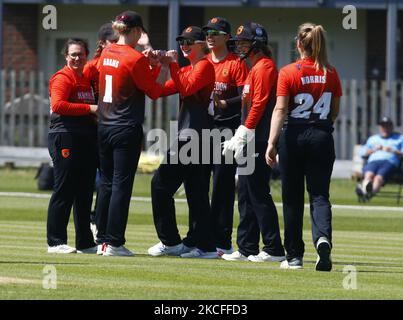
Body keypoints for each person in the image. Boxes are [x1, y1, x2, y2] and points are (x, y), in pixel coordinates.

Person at [266, 23, 342, 271]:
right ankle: (322, 238)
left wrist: (271, 142)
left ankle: (294, 256)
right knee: (320, 195)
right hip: (321, 135)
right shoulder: (331, 72)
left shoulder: (288, 72)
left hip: (294, 135)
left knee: (292, 198)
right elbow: (334, 112)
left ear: (298, 44)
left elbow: (279, 109)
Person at [96, 11, 164, 256]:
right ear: (136, 31)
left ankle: (101, 238)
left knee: (106, 183)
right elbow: (153, 91)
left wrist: (147, 64)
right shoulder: (134, 58)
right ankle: (114, 243)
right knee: (121, 186)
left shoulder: (106, 52)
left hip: (103, 126)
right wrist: (157, 66)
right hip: (125, 127)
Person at [147, 26, 217, 259]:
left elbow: (185, 88)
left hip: (194, 137)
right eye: (181, 41)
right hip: (194, 136)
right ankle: (203, 245)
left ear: (201, 45)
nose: (184, 45)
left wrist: (173, 64)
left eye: (189, 42)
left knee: (160, 184)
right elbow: (156, 91)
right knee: (196, 192)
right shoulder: (188, 69)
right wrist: (159, 64)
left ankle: (171, 241)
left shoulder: (205, 66)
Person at [221, 22, 285, 263]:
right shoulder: (252, 67)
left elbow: (259, 104)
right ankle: (247, 246)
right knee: (246, 192)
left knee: (257, 192)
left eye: (244, 42)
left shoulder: (265, 67)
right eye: (238, 42)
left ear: (257, 45)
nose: (239, 46)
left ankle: (273, 248)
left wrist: (244, 131)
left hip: (258, 139)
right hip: (250, 137)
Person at [197, 17, 248, 256]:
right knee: (197, 185)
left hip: (226, 131)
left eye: (216, 32)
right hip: (202, 129)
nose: (210, 36)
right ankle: (199, 238)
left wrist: (226, 102)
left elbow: (245, 96)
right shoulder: (202, 61)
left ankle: (221, 240)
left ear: (227, 37)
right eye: (208, 32)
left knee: (221, 187)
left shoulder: (236, 63)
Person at [47, 38, 98, 254]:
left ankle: (85, 243)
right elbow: (58, 105)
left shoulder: (85, 78)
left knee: (85, 190)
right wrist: (89, 108)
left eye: (81, 54)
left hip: (85, 138)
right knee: (65, 188)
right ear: (66, 56)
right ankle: (55, 241)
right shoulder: (63, 77)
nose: (77, 58)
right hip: (65, 137)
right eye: (73, 54)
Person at [356, 116, 403, 200]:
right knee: (368, 175)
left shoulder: (399, 138)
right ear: (380, 127)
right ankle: (366, 192)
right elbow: (361, 152)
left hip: (390, 162)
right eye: (383, 126)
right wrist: (373, 150)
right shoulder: (372, 139)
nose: (385, 128)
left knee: (378, 178)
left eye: (387, 126)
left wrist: (392, 150)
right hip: (373, 161)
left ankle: (367, 194)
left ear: (391, 127)